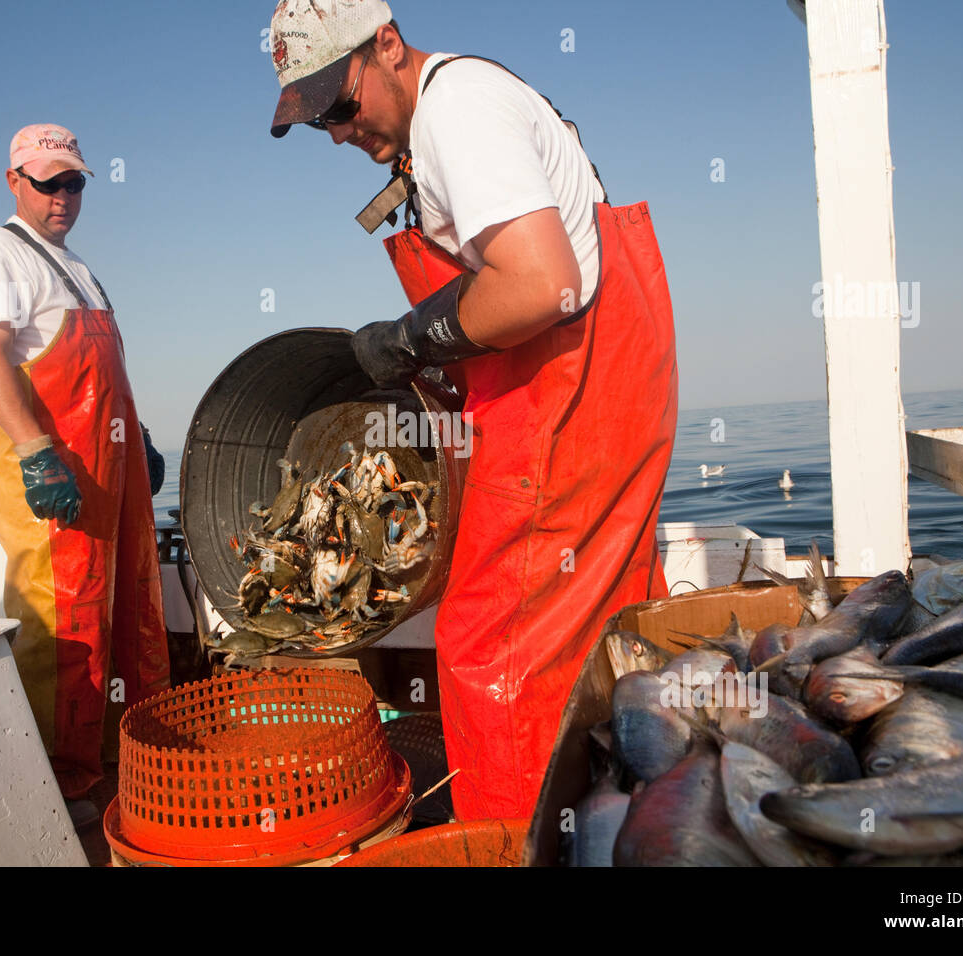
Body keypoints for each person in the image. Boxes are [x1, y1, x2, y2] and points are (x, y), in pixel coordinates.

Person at [268, 1, 679, 820]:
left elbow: (538, 282)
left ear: (388, 46)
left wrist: (412, 338)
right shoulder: (442, 125)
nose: (341, 133)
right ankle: (626, 818)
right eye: (320, 125)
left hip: (564, 403)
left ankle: (513, 838)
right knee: (609, 626)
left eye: (342, 106)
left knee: (492, 648)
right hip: (598, 391)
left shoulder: (457, 108)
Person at [0, 124, 170, 829]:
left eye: (73, 182)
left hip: (108, 470)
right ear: (15, 180)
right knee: (62, 621)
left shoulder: (76, 265)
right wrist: (38, 453)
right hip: (54, 471)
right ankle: (52, 786)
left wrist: (133, 440)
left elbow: (103, 373)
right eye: (48, 182)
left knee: (128, 607)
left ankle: (125, 760)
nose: (62, 196)